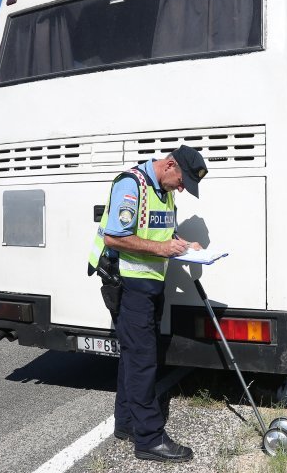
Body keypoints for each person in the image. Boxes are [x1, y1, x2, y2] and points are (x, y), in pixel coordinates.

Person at [88, 145, 208, 463]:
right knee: (143, 361)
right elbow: (115, 236)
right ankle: (150, 439)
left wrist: (183, 244)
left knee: (133, 357)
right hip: (129, 285)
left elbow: (162, 230)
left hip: (151, 284)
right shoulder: (132, 184)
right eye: (181, 181)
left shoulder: (165, 191)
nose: (181, 188)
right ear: (169, 165)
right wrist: (163, 248)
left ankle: (127, 424)